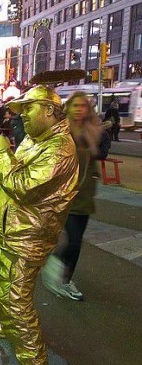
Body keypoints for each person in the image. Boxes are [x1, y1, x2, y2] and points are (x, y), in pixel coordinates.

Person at [0, 85, 79, 365]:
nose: (22, 118)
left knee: (17, 302)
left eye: (28, 110)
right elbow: (17, 177)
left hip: (27, 239)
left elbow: (24, 188)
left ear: (49, 110)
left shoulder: (60, 148)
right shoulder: (35, 140)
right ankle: (9, 326)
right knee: (4, 285)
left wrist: (2, 152)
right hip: (9, 231)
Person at [41, 92, 111, 301]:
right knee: (72, 239)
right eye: (75, 106)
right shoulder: (60, 131)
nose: (80, 110)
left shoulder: (91, 131)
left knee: (77, 241)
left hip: (85, 192)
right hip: (65, 194)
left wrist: (98, 134)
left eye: (84, 106)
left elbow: (102, 153)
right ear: (68, 108)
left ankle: (65, 279)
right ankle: (54, 267)